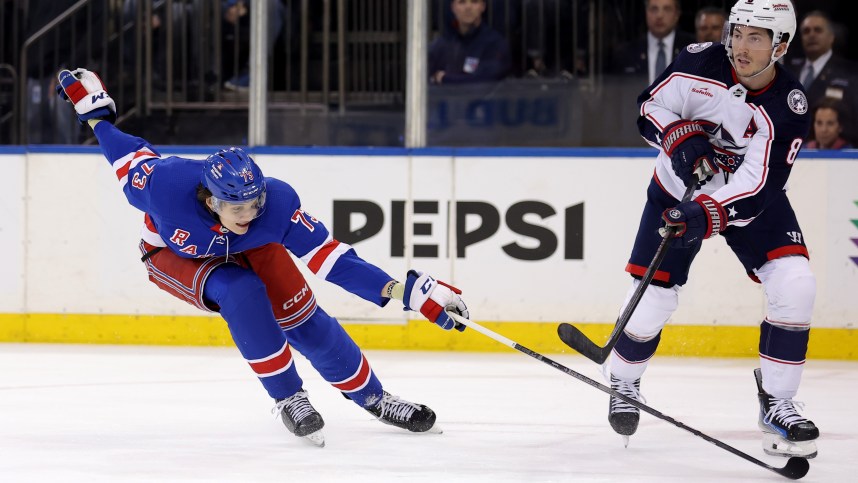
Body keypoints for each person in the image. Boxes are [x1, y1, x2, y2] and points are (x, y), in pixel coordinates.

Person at [56, 67, 471, 447]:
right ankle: (290, 397)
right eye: (238, 208)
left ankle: (376, 398)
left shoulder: (276, 207)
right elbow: (122, 152)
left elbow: (332, 258)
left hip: (251, 251)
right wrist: (97, 115)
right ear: (211, 200)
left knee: (306, 320)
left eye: (255, 204)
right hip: (172, 255)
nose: (250, 214)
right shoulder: (163, 184)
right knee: (241, 291)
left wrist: (407, 293)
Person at [607, 0, 819, 459]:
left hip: (745, 202)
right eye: (737, 33)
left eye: (755, 38)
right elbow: (647, 108)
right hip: (674, 188)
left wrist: (704, 212)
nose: (740, 46)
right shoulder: (698, 61)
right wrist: (677, 136)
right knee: (654, 296)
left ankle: (777, 401)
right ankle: (624, 380)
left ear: (780, 45)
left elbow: (758, 187)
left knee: (796, 282)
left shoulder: (789, 106)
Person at [785, 11, 858, 143]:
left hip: (833, 155)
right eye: (806, 31)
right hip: (786, 150)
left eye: (817, 30)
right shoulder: (788, 71)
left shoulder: (848, 73)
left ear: (831, 37)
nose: (811, 35)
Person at [610, 0, 695, 84]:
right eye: (654, 9)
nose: (659, 15)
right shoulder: (626, 53)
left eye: (667, 9)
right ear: (646, 12)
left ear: (677, 14)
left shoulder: (693, 51)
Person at [428, 0, 511, 84]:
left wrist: (444, 78)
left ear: (482, 7)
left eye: (474, 2)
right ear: (453, 8)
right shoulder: (442, 43)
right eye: (462, 2)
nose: (468, 7)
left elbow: (485, 79)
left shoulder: (495, 43)